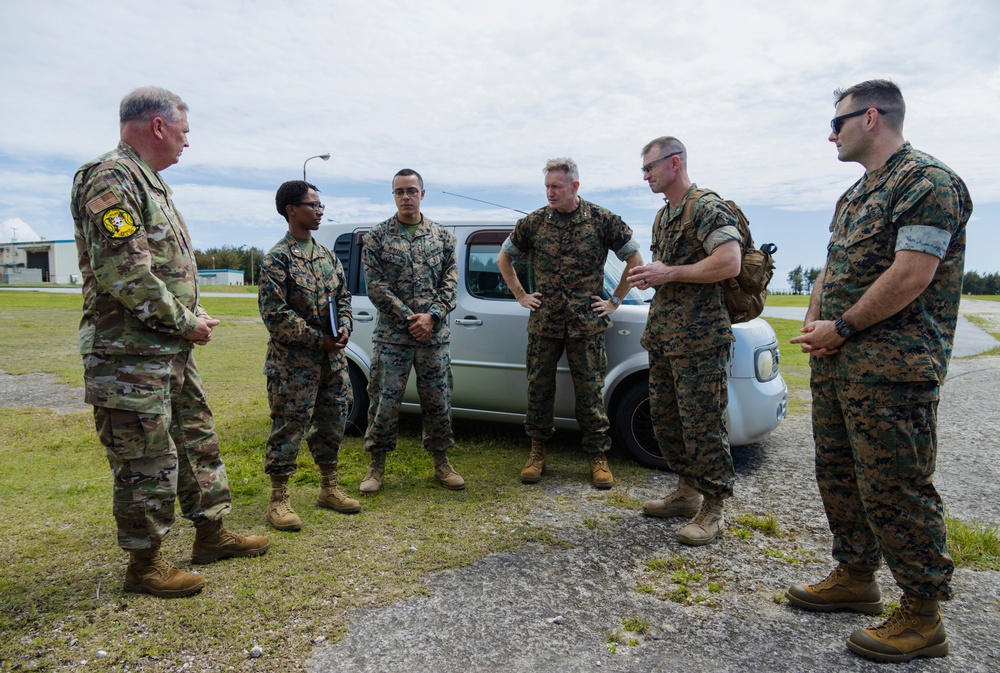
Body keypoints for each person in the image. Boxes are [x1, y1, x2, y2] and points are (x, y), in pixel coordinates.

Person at [785, 79, 971, 663]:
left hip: (893, 369)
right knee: (839, 473)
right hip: (840, 363)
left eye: (835, 122)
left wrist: (842, 328)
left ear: (870, 118)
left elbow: (913, 272)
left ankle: (922, 614)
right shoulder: (856, 195)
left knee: (895, 484)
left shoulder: (927, 182)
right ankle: (856, 577)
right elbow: (831, 267)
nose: (830, 133)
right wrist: (818, 320)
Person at [70, 86, 269, 598]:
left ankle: (211, 533)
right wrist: (184, 321)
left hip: (165, 348)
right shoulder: (110, 177)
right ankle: (145, 566)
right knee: (144, 457)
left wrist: (189, 313)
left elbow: (162, 268)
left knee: (195, 438)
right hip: (128, 356)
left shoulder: (150, 183)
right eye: (184, 132)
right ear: (158, 126)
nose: (187, 142)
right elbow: (124, 271)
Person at [497, 158, 642, 489]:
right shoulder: (533, 223)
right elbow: (504, 258)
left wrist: (614, 301)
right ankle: (536, 452)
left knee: (590, 391)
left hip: (586, 324)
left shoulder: (603, 220)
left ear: (575, 186)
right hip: (545, 324)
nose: (550, 192)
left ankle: (597, 456)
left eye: (556, 186)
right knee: (538, 389)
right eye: (547, 186)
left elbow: (634, 259)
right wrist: (521, 295)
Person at [627, 137, 742, 546]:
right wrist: (654, 276)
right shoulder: (664, 216)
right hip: (665, 334)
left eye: (650, 167)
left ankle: (713, 509)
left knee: (703, 424)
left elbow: (729, 262)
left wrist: (669, 273)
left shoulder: (707, 207)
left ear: (675, 163)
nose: (645, 176)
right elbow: (667, 271)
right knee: (668, 420)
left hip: (700, 338)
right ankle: (686, 493)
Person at [258, 180, 359, 531]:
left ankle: (328, 488)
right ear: (291, 210)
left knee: (333, 420)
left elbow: (343, 298)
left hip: (332, 361)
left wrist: (345, 326)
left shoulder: (327, 255)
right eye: (312, 205)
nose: (319, 211)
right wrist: (319, 340)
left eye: (320, 205)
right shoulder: (278, 258)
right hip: (293, 365)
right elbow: (275, 315)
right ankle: (279, 499)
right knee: (289, 427)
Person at [359, 169, 465, 493]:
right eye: (399, 191)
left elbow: (450, 284)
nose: (406, 197)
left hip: (433, 337)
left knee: (438, 400)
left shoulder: (443, 237)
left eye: (411, 190)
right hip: (393, 337)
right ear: (393, 195)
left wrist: (431, 317)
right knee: (383, 401)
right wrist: (411, 319)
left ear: (423, 193)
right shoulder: (376, 237)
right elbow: (376, 287)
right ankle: (376, 467)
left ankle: (441, 463)